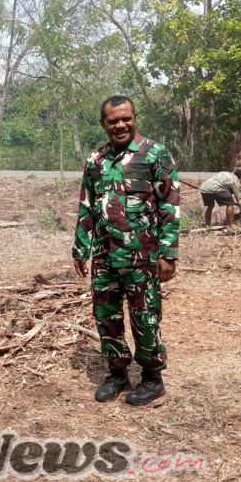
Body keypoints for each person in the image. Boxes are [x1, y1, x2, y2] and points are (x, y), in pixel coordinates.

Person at [72, 95, 180, 407]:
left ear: (135, 118)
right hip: (105, 255)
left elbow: (169, 206)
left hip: (142, 257)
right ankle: (117, 374)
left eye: (126, 119)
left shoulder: (155, 154)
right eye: (113, 120)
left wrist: (167, 253)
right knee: (106, 316)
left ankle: (151, 378)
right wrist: (81, 248)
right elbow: (86, 207)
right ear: (103, 123)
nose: (120, 125)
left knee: (145, 316)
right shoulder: (95, 160)